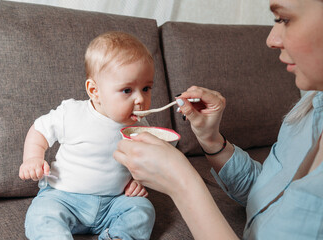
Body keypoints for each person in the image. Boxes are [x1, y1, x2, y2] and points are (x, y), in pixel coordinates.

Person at [113, 0, 323, 239]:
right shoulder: (308, 109)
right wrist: (211, 139)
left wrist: (183, 184)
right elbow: (270, 193)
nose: (271, 40)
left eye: (283, 19)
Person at [19, 31, 156, 240]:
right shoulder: (72, 113)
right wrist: (32, 159)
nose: (140, 99)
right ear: (94, 91)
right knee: (42, 214)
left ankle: (116, 236)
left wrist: (138, 181)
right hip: (64, 197)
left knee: (142, 209)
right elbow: (39, 130)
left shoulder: (140, 126)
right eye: (127, 90)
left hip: (114, 201)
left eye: (146, 88)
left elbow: (147, 161)